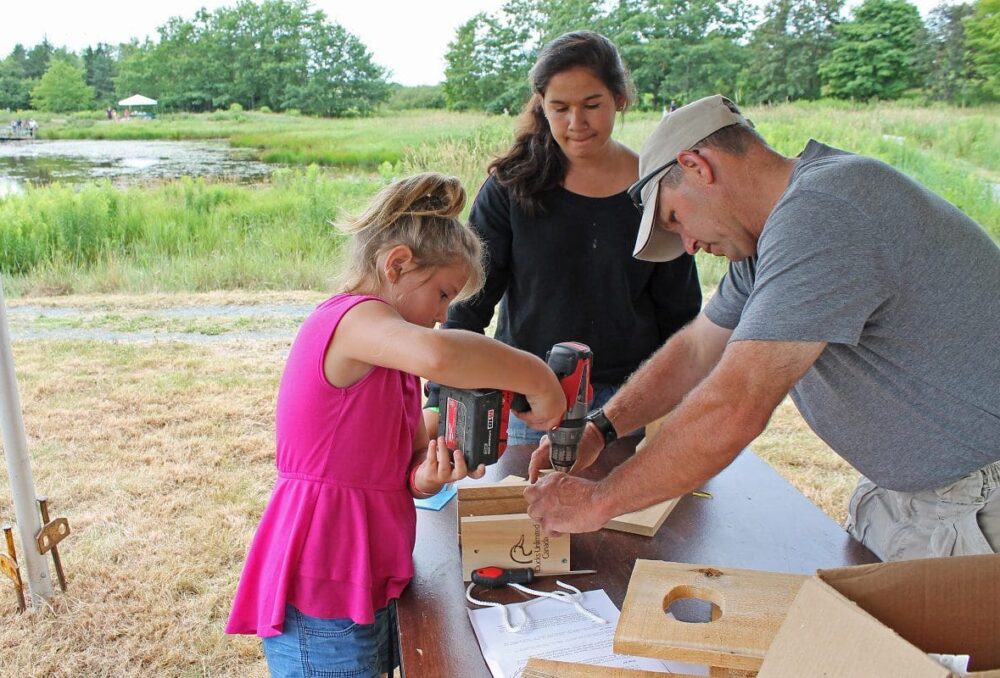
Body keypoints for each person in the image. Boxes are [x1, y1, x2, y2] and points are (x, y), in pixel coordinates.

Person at [524, 94, 1000, 562]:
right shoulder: (769, 239)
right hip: (920, 496)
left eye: (675, 218)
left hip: (979, 500)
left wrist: (597, 502)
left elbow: (734, 405)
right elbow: (694, 352)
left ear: (696, 166)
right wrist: (602, 429)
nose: (688, 245)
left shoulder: (823, 212)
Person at [225, 173, 565, 677]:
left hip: (371, 573)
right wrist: (538, 377)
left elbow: (403, 464)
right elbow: (440, 354)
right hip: (324, 579)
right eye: (443, 294)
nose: (444, 314)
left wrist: (427, 475)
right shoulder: (349, 320)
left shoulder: (389, 362)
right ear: (398, 264)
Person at [423, 31, 701, 446]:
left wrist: (682, 402)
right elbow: (470, 300)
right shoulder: (511, 187)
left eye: (592, 105)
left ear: (620, 98)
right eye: (560, 108)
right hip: (528, 402)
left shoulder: (655, 189)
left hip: (631, 401)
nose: (577, 124)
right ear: (542, 105)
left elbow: (679, 313)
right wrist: (440, 398)